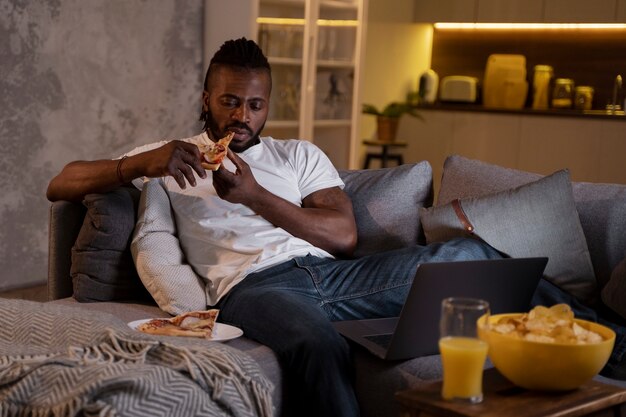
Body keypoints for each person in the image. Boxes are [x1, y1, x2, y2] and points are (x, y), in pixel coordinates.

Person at [46, 38, 622, 416]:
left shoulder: (298, 156)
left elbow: (341, 235)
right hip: (252, 290)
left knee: (472, 256)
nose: (240, 117)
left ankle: (615, 349)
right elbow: (62, 182)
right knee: (314, 342)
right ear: (206, 98)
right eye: (229, 102)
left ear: (267, 105)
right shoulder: (171, 158)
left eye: (253, 105)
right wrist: (139, 165)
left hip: (334, 276)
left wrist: (255, 196)